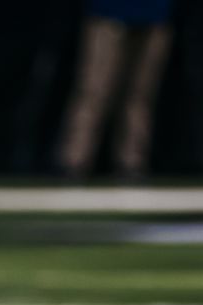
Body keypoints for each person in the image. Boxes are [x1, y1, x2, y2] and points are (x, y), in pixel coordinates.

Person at [56, 0, 175, 181]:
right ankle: (74, 161)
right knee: (94, 90)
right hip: (108, 12)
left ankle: (131, 163)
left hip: (156, 14)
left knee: (140, 95)